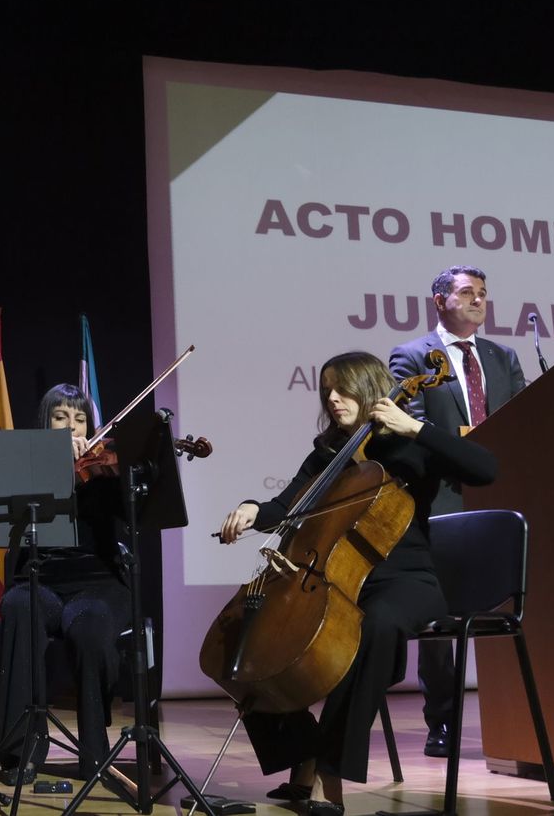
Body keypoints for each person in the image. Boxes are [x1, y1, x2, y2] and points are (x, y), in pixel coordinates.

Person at [218, 351, 497, 815]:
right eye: (326, 390)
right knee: (248, 636)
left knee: (377, 628)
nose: (332, 398)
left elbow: (486, 469)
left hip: (405, 579)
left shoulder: (409, 444)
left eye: (342, 388)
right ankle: (300, 752)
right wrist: (251, 509)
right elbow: (285, 507)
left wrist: (416, 428)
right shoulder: (328, 453)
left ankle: (330, 767)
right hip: (334, 581)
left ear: (370, 389)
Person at [388, 265, 526, 757]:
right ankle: (442, 722)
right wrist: (471, 448)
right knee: (439, 618)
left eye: (483, 294)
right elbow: (413, 426)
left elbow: (523, 420)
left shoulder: (503, 356)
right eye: (467, 292)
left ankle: (521, 718)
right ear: (439, 300)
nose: (478, 300)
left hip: (503, 495)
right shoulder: (412, 356)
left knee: (513, 604)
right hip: (443, 498)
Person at [0, 384, 132, 784]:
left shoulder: (104, 468)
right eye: (61, 418)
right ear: (45, 424)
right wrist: (48, 462)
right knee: (18, 607)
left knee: (90, 628)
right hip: (42, 580)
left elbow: (136, 507)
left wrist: (113, 474)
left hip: (99, 583)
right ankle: (21, 751)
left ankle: (94, 751)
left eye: (80, 418)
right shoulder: (29, 463)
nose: (72, 426)